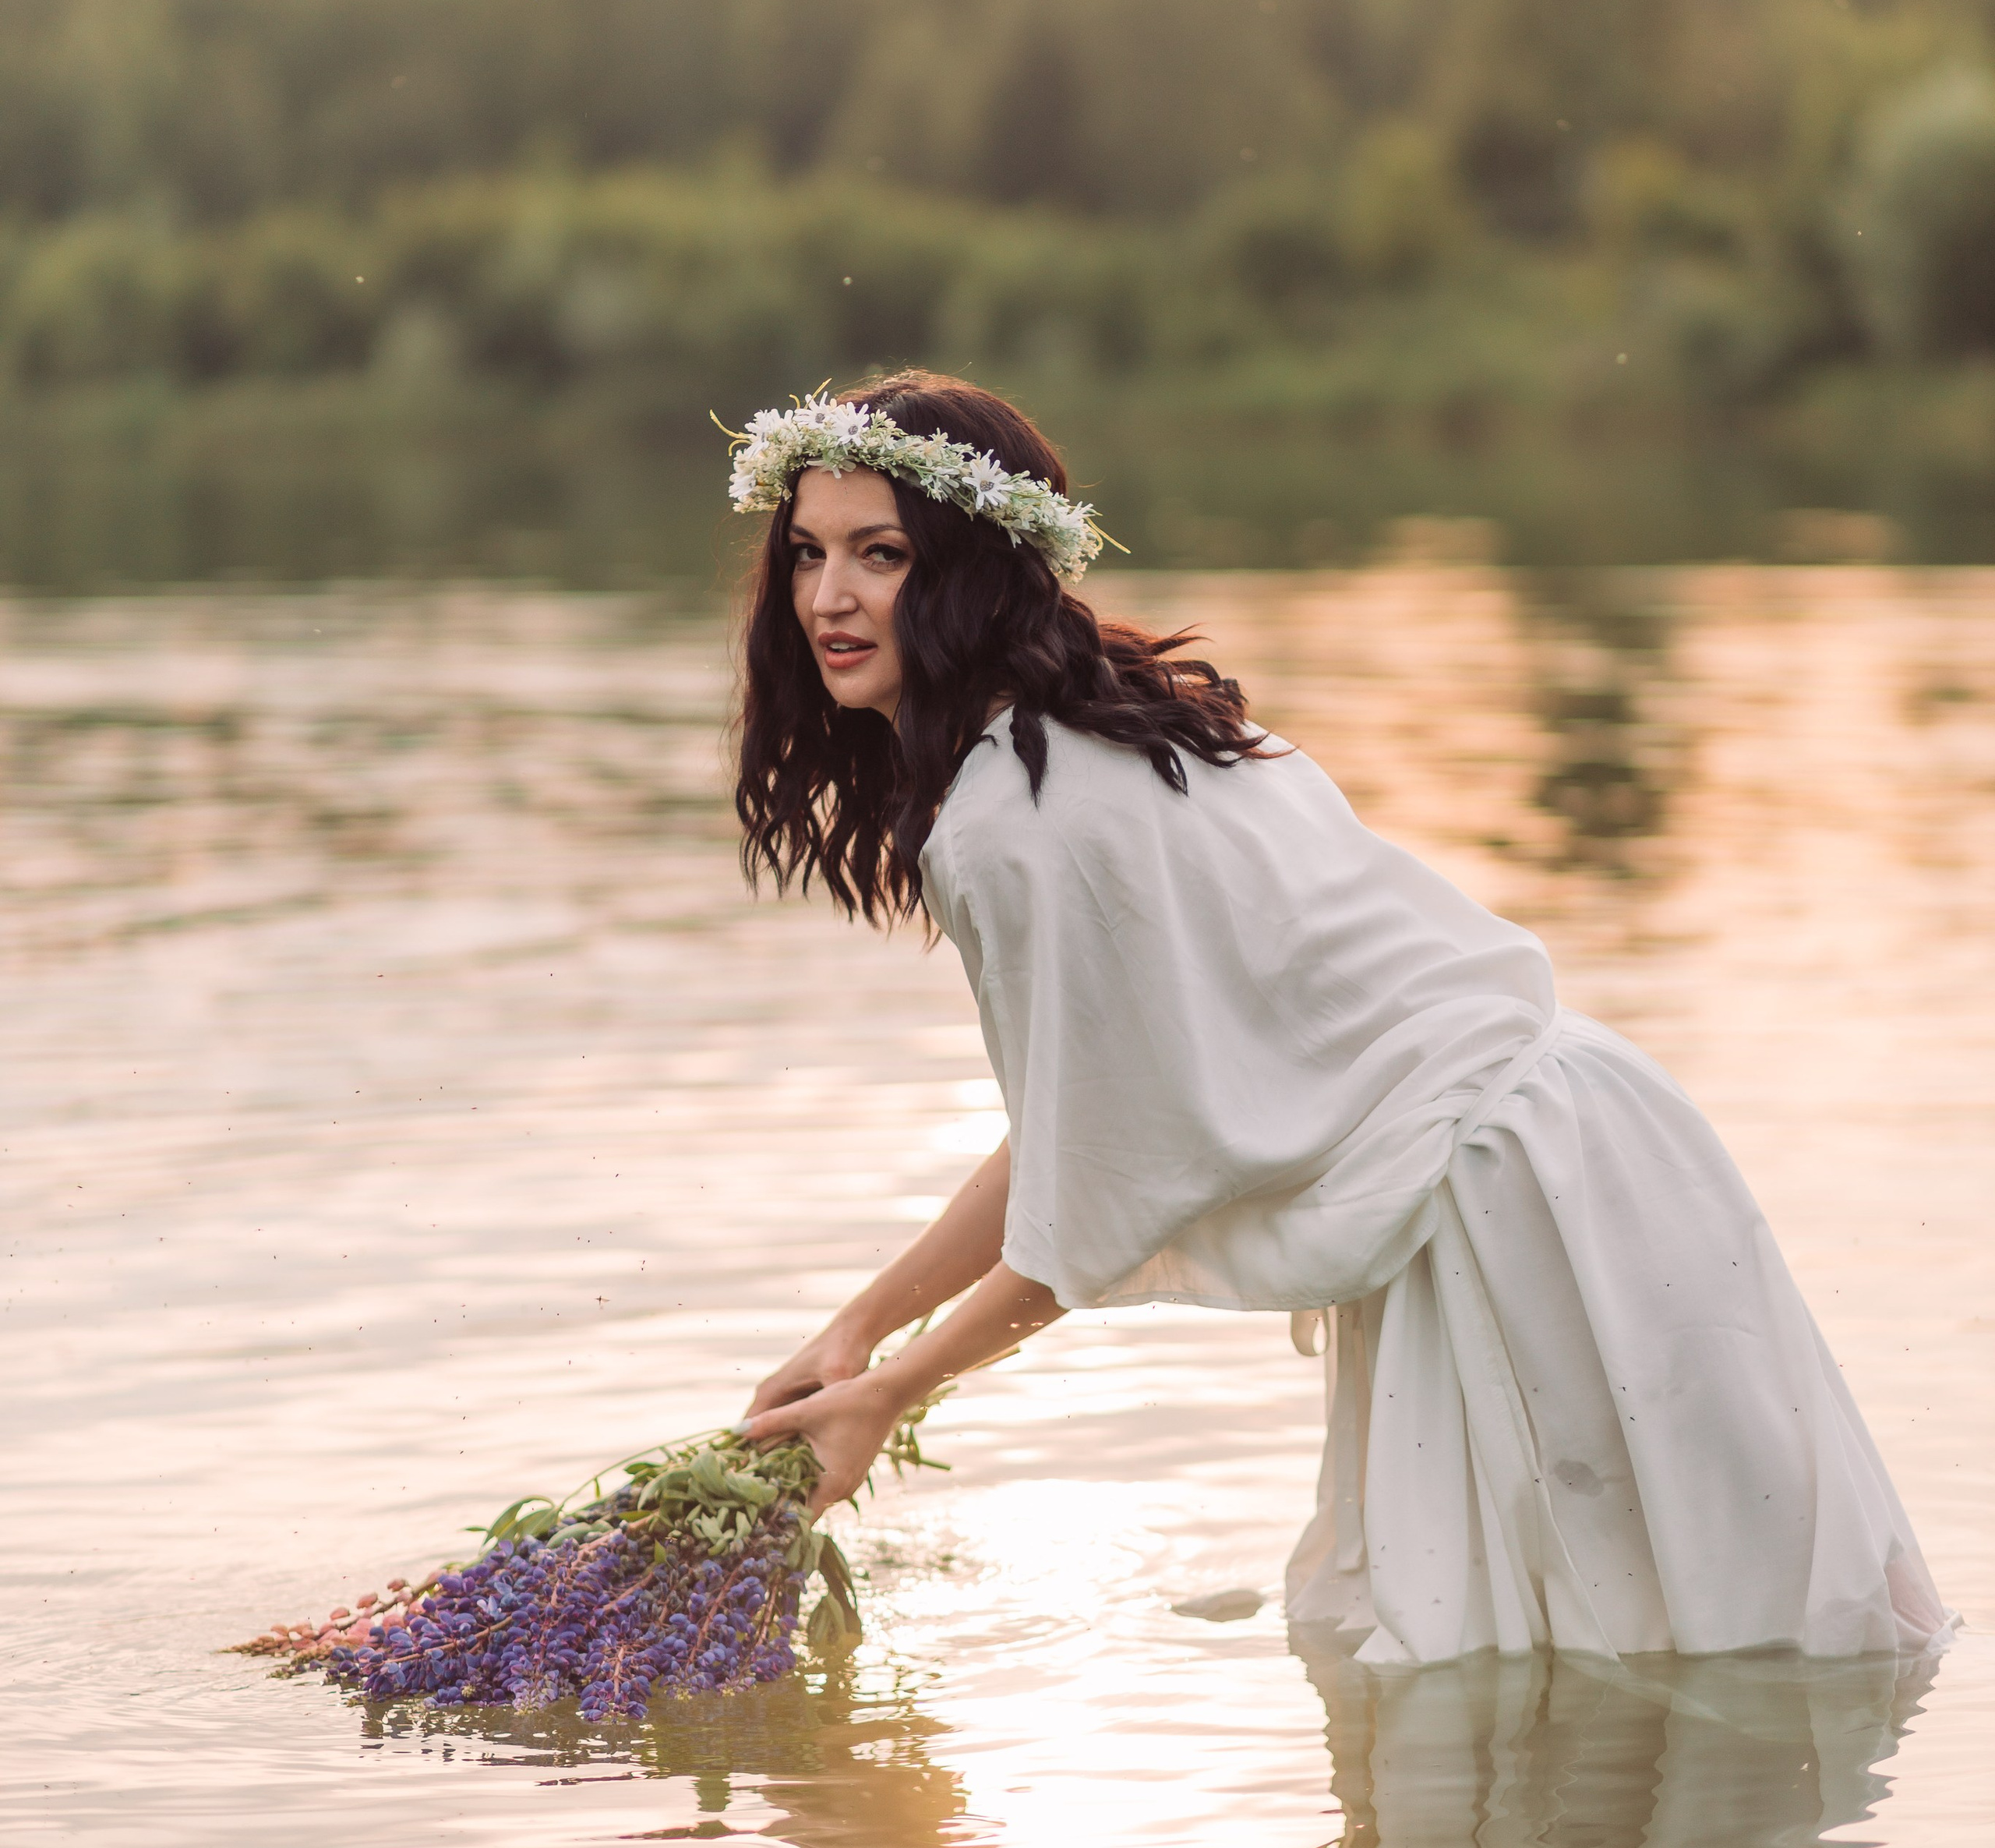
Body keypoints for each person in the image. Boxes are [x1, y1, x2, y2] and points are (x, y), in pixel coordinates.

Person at [735, 373, 1948, 1665]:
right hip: (1588, 1136)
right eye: (808, 554)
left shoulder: (1010, 819)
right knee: (1713, 1632)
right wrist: (862, 1329)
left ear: (975, 569)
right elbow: (1077, 1130)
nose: (828, 599)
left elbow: (1092, 1199)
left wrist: (892, 1391)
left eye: (881, 555)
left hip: (1500, 1202)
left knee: (1569, 1670)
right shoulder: (1123, 726)